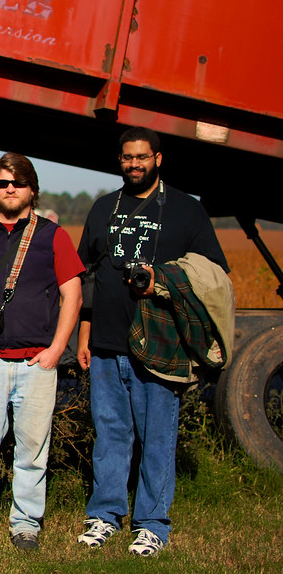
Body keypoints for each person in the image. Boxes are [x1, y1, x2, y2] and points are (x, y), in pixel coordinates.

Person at [76, 127, 229, 557]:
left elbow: (213, 271)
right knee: (109, 434)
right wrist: (85, 333)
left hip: (162, 342)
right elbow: (87, 274)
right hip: (106, 343)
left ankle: (152, 524)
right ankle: (104, 516)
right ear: (120, 160)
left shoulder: (186, 210)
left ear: (158, 159)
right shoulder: (104, 207)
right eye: (127, 158)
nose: (134, 165)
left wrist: (163, 280)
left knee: (157, 437)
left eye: (142, 157)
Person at [0, 153, 84, 550]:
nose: (10, 189)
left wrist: (57, 350)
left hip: (36, 364)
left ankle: (26, 523)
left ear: (32, 189)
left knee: (32, 453)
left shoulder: (52, 236)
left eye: (18, 183)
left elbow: (72, 294)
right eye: (2, 183)